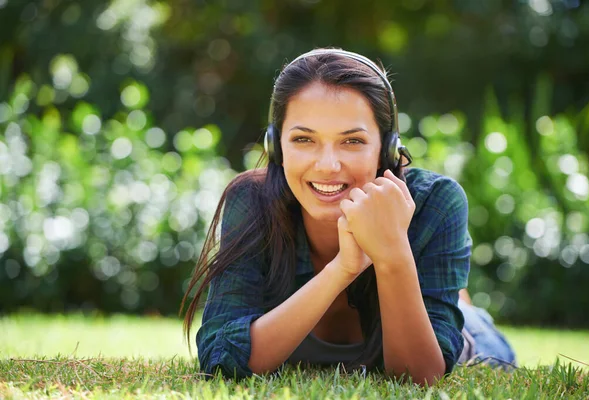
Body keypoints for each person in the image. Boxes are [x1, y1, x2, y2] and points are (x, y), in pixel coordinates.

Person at [180, 48, 516, 384]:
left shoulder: (434, 202)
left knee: (464, 318)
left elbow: (420, 377)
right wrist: (342, 269)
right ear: (276, 147)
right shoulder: (251, 200)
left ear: (386, 149)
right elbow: (221, 361)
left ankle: (459, 304)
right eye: (303, 139)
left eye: (352, 141)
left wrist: (393, 253)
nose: (327, 165)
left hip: (471, 338)